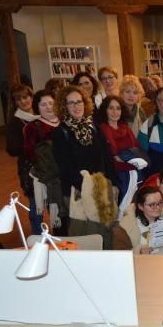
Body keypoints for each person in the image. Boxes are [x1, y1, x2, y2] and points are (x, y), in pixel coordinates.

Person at [52, 85, 117, 235]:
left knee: (104, 231)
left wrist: (112, 183)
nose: (77, 106)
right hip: (78, 192)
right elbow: (66, 168)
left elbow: (107, 156)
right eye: (71, 103)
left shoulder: (93, 126)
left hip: (101, 187)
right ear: (64, 106)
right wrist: (89, 189)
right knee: (83, 233)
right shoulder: (60, 133)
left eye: (79, 101)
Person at [23, 90, 63, 232]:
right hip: (46, 177)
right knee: (50, 211)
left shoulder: (64, 122)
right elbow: (30, 152)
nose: (49, 107)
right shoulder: (33, 127)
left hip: (65, 174)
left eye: (51, 103)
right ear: (37, 107)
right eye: (43, 104)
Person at [5, 84, 41, 233]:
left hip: (48, 165)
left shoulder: (41, 114)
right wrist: (31, 144)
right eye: (19, 99)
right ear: (15, 103)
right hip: (29, 168)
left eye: (26, 97)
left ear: (31, 97)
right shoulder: (14, 122)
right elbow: (12, 149)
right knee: (35, 202)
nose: (24, 101)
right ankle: (37, 235)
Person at [96, 95, 144, 207]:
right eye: (111, 108)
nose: (115, 112)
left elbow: (138, 150)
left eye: (118, 108)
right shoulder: (101, 130)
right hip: (115, 178)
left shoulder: (125, 128)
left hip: (133, 175)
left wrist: (125, 157)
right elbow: (109, 158)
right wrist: (129, 157)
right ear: (105, 110)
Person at [119, 186, 163, 255]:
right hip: (139, 265)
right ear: (140, 206)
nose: (158, 207)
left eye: (160, 203)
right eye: (152, 205)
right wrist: (139, 251)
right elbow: (120, 254)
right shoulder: (127, 225)